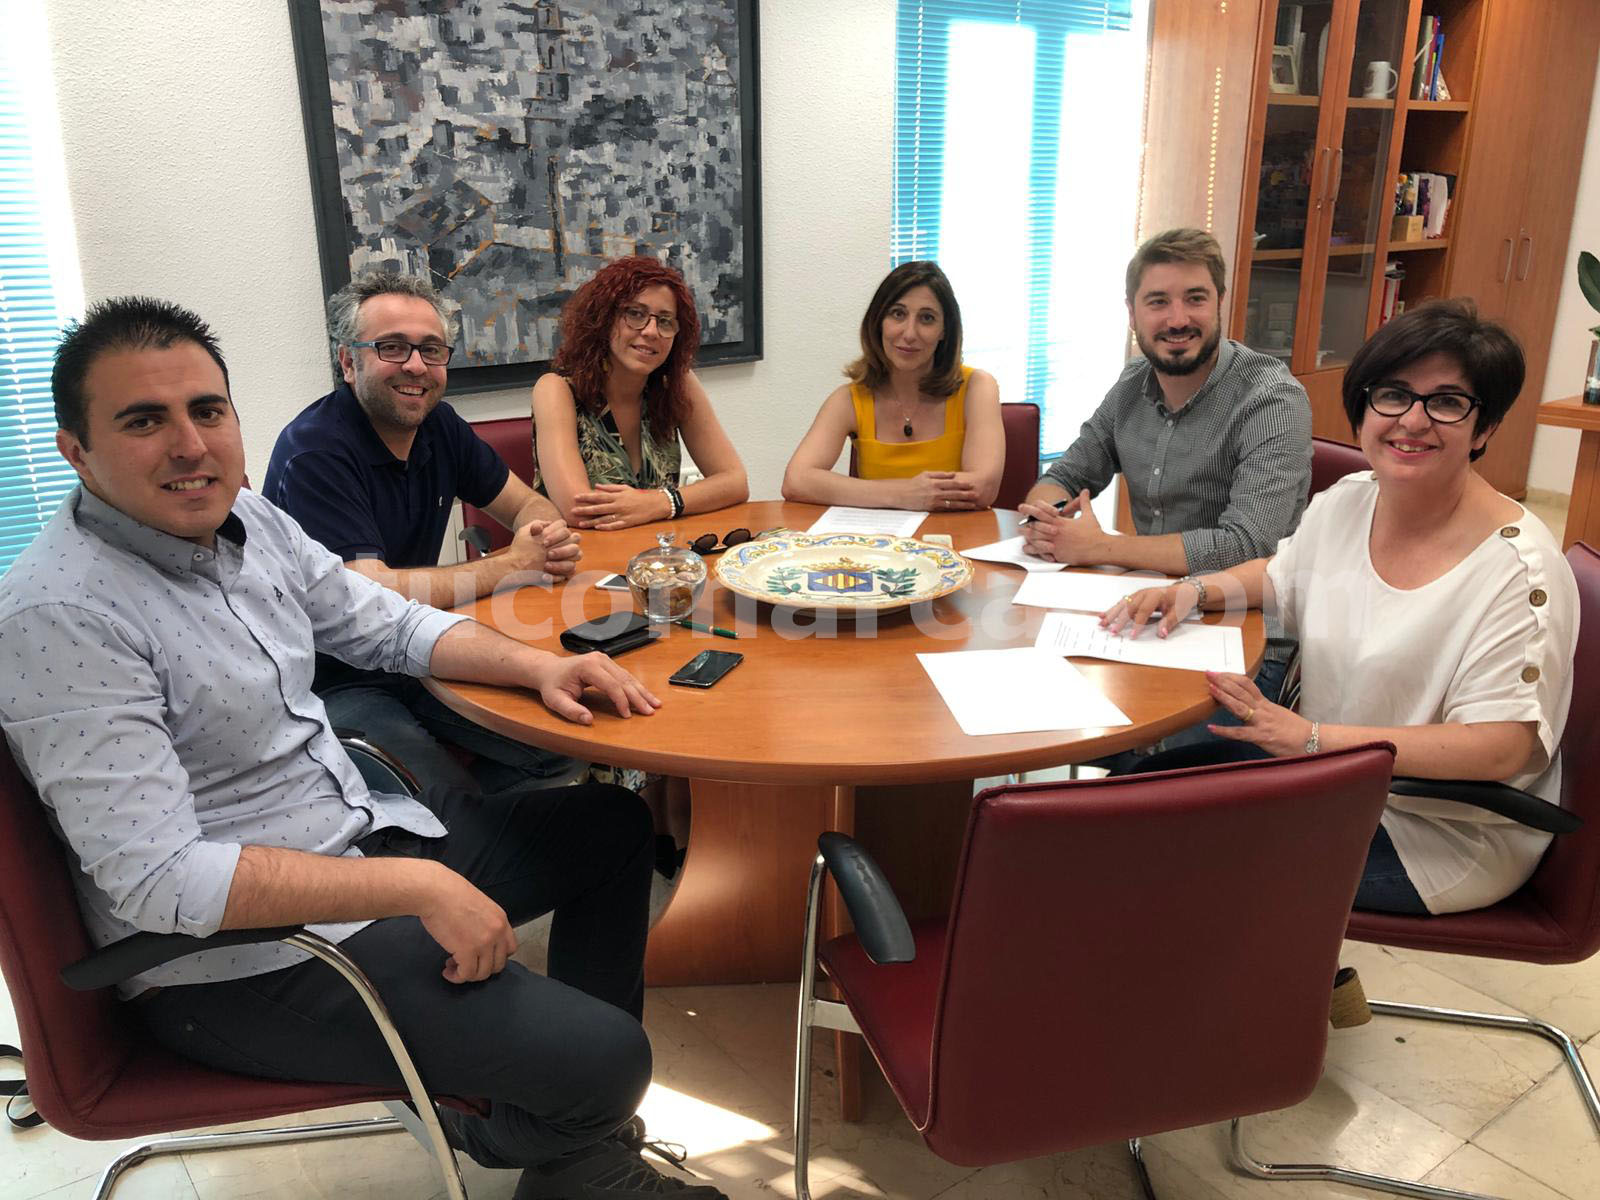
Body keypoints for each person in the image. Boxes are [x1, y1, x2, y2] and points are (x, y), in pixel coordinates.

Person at [0, 297, 727, 1198]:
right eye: (144, 421)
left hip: (351, 834)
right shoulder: (63, 613)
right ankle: (564, 1131)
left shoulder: (247, 522)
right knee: (613, 1060)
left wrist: (540, 667)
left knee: (611, 829)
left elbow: (386, 623)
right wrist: (418, 886)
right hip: (239, 961)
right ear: (76, 450)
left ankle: (573, 1142)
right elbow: (161, 882)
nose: (189, 445)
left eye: (207, 410)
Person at [1103, 300, 1578, 916]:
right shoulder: (1353, 498)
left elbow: (1501, 746)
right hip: (1322, 777)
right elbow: (1284, 575)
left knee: (1164, 857)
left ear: (1483, 429)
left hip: (1432, 830)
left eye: (1447, 402)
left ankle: (1244, 972)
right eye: (1393, 395)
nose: (1412, 421)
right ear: (1364, 407)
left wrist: (1311, 738)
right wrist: (1195, 590)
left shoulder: (1518, 573)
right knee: (1126, 800)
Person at [264, 272, 580, 796]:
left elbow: (528, 504)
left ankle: (474, 828)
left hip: (421, 653)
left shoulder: (440, 425)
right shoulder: (315, 451)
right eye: (392, 347)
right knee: (435, 801)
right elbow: (368, 596)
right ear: (348, 363)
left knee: (562, 747)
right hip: (334, 680)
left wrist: (543, 538)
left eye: (431, 350)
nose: (416, 365)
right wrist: (513, 564)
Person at [1019, 227, 1312, 721]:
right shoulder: (1134, 381)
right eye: (1158, 302)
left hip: (1244, 639)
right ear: (1132, 313)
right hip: (1143, 615)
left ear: (1220, 301)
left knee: (1112, 745)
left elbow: (1247, 544)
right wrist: (1047, 519)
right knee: (1034, 705)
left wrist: (1099, 548)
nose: (1177, 319)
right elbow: (1069, 471)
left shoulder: (1271, 399)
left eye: (1195, 299)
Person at [531, 256, 747, 529]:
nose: (651, 331)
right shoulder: (557, 389)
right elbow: (580, 510)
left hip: (660, 550)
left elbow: (735, 482)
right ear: (604, 318)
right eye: (635, 314)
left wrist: (661, 503)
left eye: (665, 321)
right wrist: (669, 503)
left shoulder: (676, 384)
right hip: (583, 551)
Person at [782, 260, 1003, 510]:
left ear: (944, 330)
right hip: (879, 535)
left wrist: (883, 493)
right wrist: (903, 494)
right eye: (898, 314)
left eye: (927, 318)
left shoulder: (977, 387)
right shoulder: (849, 399)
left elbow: (983, 488)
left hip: (958, 532)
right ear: (878, 322)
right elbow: (796, 481)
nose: (909, 333)